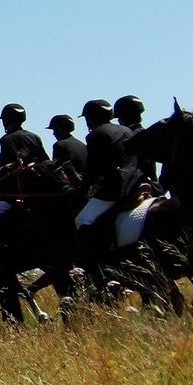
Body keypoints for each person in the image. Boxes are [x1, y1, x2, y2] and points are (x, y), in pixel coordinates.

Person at [74, 99, 143, 281]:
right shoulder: (127, 130)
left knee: (83, 219)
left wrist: (83, 188)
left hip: (116, 188)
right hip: (138, 183)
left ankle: (105, 268)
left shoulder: (96, 135)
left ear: (91, 118)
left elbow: (93, 169)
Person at [0, 104, 49, 230]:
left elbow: (3, 167)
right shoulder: (34, 136)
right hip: (39, 190)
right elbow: (45, 161)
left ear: (7, 120)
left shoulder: (7, 139)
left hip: (18, 192)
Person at [115, 95, 161, 193]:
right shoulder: (146, 133)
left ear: (123, 117)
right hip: (154, 186)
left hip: (137, 188)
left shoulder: (129, 137)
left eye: (119, 117)